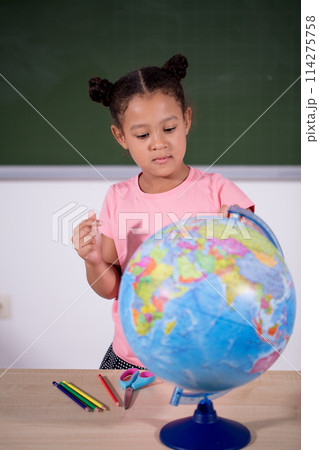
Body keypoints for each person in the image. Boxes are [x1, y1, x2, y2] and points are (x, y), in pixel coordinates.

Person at [72, 54, 255, 370]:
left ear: (186, 120)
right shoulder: (118, 197)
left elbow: (255, 263)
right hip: (132, 357)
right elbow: (112, 288)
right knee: (117, 419)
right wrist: (93, 261)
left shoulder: (219, 191)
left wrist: (239, 236)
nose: (158, 143)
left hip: (202, 357)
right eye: (143, 135)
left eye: (168, 128)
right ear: (121, 137)